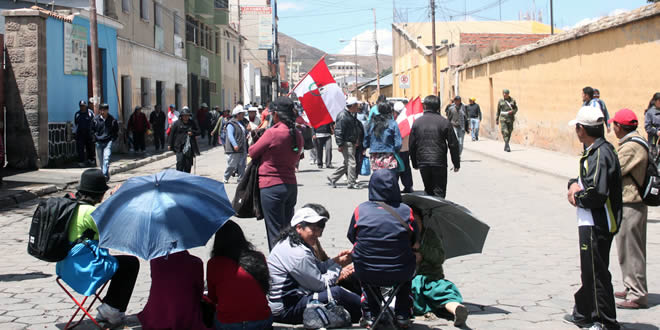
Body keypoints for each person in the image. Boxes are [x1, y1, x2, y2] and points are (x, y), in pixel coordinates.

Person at [564, 106, 622, 330]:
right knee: (590, 271)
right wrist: (573, 184)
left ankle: (604, 321)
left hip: (596, 222)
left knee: (596, 273)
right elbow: (583, 179)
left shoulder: (600, 153)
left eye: (577, 127)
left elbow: (596, 193)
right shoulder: (596, 150)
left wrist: (576, 195)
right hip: (591, 221)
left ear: (582, 129)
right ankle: (584, 313)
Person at [63, 169, 139, 327]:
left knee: (119, 264)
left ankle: (110, 308)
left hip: (64, 267)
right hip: (84, 269)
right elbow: (117, 229)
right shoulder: (90, 213)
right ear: (99, 194)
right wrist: (118, 199)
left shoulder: (73, 207)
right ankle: (111, 311)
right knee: (130, 264)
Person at [347, 169, 418, 328]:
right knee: (406, 278)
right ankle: (402, 315)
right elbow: (414, 240)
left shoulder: (361, 210)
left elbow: (352, 236)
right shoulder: (406, 211)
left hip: (366, 271)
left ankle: (371, 313)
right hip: (400, 271)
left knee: (367, 279)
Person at [268, 207, 361, 324]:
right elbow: (320, 285)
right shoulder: (297, 253)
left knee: (351, 276)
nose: (318, 234)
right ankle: (373, 312)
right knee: (336, 293)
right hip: (286, 309)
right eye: (313, 229)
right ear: (299, 228)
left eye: (319, 228)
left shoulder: (293, 242)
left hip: (298, 297)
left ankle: (369, 305)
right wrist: (338, 268)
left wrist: (338, 261)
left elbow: (319, 267)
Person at [249, 97, 304, 250]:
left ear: (276, 115)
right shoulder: (297, 134)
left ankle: (277, 267)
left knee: (274, 232)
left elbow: (252, 152)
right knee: (287, 230)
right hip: (291, 185)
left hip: (271, 186)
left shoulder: (272, 133)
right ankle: (288, 261)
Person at [608, 109, 649, 309]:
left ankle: (638, 293)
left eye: (613, 124)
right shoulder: (631, 143)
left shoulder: (631, 146)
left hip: (631, 202)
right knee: (625, 247)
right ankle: (630, 285)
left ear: (619, 126)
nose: (612, 128)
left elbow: (614, 169)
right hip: (627, 201)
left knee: (633, 249)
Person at [408, 204, 468, 326]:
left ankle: (456, 309)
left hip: (431, 279)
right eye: (411, 222)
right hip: (410, 281)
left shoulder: (429, 235)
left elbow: (439, 257)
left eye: (417, 221)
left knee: (443, 290)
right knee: (411, 292)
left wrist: (422, 249)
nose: (415, 225)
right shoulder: (401, 236)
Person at [207, 220, 272, 329]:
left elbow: (213, 298)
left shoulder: (214, 263)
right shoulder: (259, 257)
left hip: (228, 323)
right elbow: (264, 289)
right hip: (261, 320)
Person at [137, 250, 209, 329]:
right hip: (185, 312)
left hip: (157, 311)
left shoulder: (155, 260)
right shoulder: (195, 262)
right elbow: (199, 290)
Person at [409, 95, 460, 198]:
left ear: (425, 106)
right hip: (439, 162)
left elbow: (412, 145)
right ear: (438, 107)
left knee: (428, 191)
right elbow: (453, 144)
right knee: (439, 192)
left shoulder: (417, 123)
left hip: (423, 162)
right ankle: (438, 212)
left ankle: (429, 212)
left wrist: (415, 163)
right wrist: (456, 163)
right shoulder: (444, 122)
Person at [328, 97, 363, 189]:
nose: (358, 107)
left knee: (347, 163)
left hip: (351, 142)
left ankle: (333, 178)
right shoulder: (343, 115)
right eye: (356, 105)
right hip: (346, 143)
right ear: (352, 106)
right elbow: (338, 131)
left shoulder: (351, 114)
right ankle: (351, 182)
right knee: (352, 163)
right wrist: (340, 144)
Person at [364, 102, 402, 171]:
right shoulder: (393, 123)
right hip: (389, 155)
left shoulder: (371, 123)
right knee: (389, 178)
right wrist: (395, 150)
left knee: (377, 178)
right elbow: (398, 143)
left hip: (374, 156)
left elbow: (365, 140)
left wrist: (368, 146)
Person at [168, 107, 200, 173]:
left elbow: (199, 131)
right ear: (181, 116)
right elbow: (172, 134)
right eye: (184, 116)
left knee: (188, 165)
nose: (185, 117)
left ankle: (186, 178)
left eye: (187, 115)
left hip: (189, 147)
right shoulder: (177, 123)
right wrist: (169, 144)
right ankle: (179, 177)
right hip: (179, 147)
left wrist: (192, 133)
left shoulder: (192, 123)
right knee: (180, 162)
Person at [91, 104, 119, 182]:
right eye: (101, 110)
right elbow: (92, 130)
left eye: (104, 110)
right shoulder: (95, 120)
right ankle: (105, 174)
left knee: (106, 158)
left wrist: (113, 139)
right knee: (101, 161)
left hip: (108, 142)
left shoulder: (112, 120)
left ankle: (104, 175)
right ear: (99, 110)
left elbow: (116, 130)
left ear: (107, 110)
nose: (102, 112)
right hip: (99, 142)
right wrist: (95, 139)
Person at [223, 105, 248, 183]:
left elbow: (243, 132)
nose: (243, 115)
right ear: (237, 114)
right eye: (242, 113)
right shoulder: (231, 124)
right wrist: (235, 145)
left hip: (242, 147)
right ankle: (225, 178)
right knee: (231, 165)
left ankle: (240, 180)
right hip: (234, 148)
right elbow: (230, 135)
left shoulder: (241, 123)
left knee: (242, 165)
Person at [393, 102, 413, 193]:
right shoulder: (407, 119)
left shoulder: (399, 121)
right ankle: (408, 186)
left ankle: (396, 187)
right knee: (406, 169)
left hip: (399, 149)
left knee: (397, 169)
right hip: (406, 149)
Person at [73, 100, 95, 167]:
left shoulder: (90, 113)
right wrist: (74, 133)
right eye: (81, 106)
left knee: (90, 148)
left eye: (83, 106)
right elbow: (75, 124)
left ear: (86, 106)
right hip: (80, 134)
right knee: (80, 148)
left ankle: (91, 160)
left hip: (88, 134)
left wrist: (93, 132)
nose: (82, 107)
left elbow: (94, 122)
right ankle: (81, 161)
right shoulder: (77, 114)